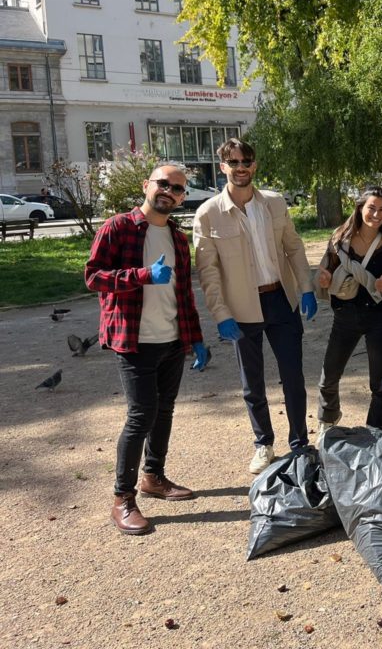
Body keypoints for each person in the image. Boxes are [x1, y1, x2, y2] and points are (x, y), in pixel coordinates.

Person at [85, 163, 208, 535]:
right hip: (134, 339)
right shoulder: (118, 227)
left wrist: (196, 338)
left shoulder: (177, 237)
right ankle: (122, 498)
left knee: (165, 410)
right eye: (164, 184)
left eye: (178, 189)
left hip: (172, 339)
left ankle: (153, 476)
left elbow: (183, 293)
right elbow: (93, 277)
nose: (170, 192)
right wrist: (141, 276)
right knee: (141, 415)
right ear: (146, 185)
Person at [193, 138, 318, 474]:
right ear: (223, 167)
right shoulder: (208, 214)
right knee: (252, 382)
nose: (241, 167)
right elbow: (208, 271)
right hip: (242, 306)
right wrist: (220, 313)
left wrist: (306, 288)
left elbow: (294, 248)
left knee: (293, 375)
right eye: (233, 162)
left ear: (255, 164)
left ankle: (299, 443)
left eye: (246, 160)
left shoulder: (274, 204)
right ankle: (263, 443)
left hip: (281, 299)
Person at [315, 186, 382, 440]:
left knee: (379, 383)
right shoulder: (340, 236)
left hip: (378, 318)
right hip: (344, 316)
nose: (376, 214)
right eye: (371, 208)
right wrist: (323, 279)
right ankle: (328, 422)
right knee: (329, 374)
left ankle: (375, 433)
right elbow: (327, 272)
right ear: (360, 208)